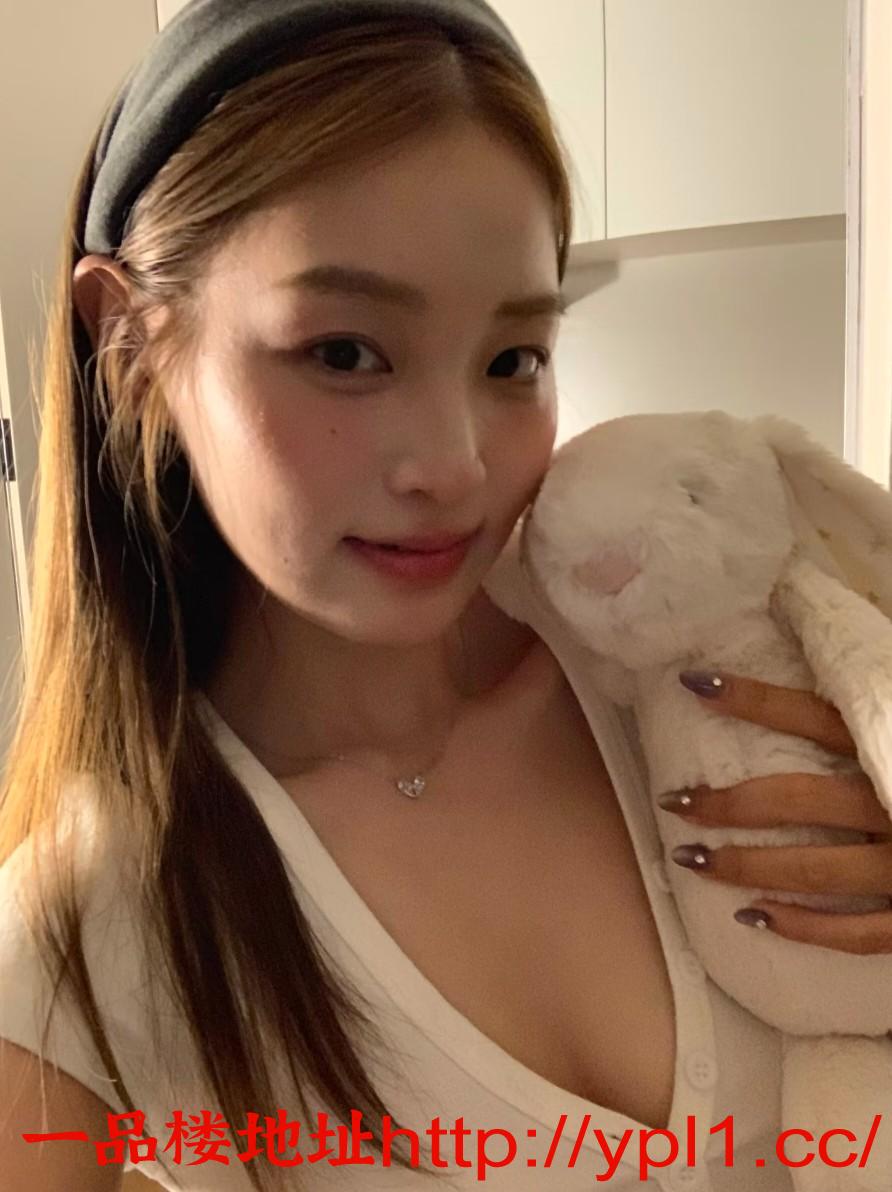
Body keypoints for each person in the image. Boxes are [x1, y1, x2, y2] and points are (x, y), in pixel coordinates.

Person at [1, 2, 890, 1190]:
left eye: (512, 359)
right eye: (345, 352)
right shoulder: (88, 934)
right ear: (130, 347)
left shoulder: (675, 658)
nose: (457, 465)